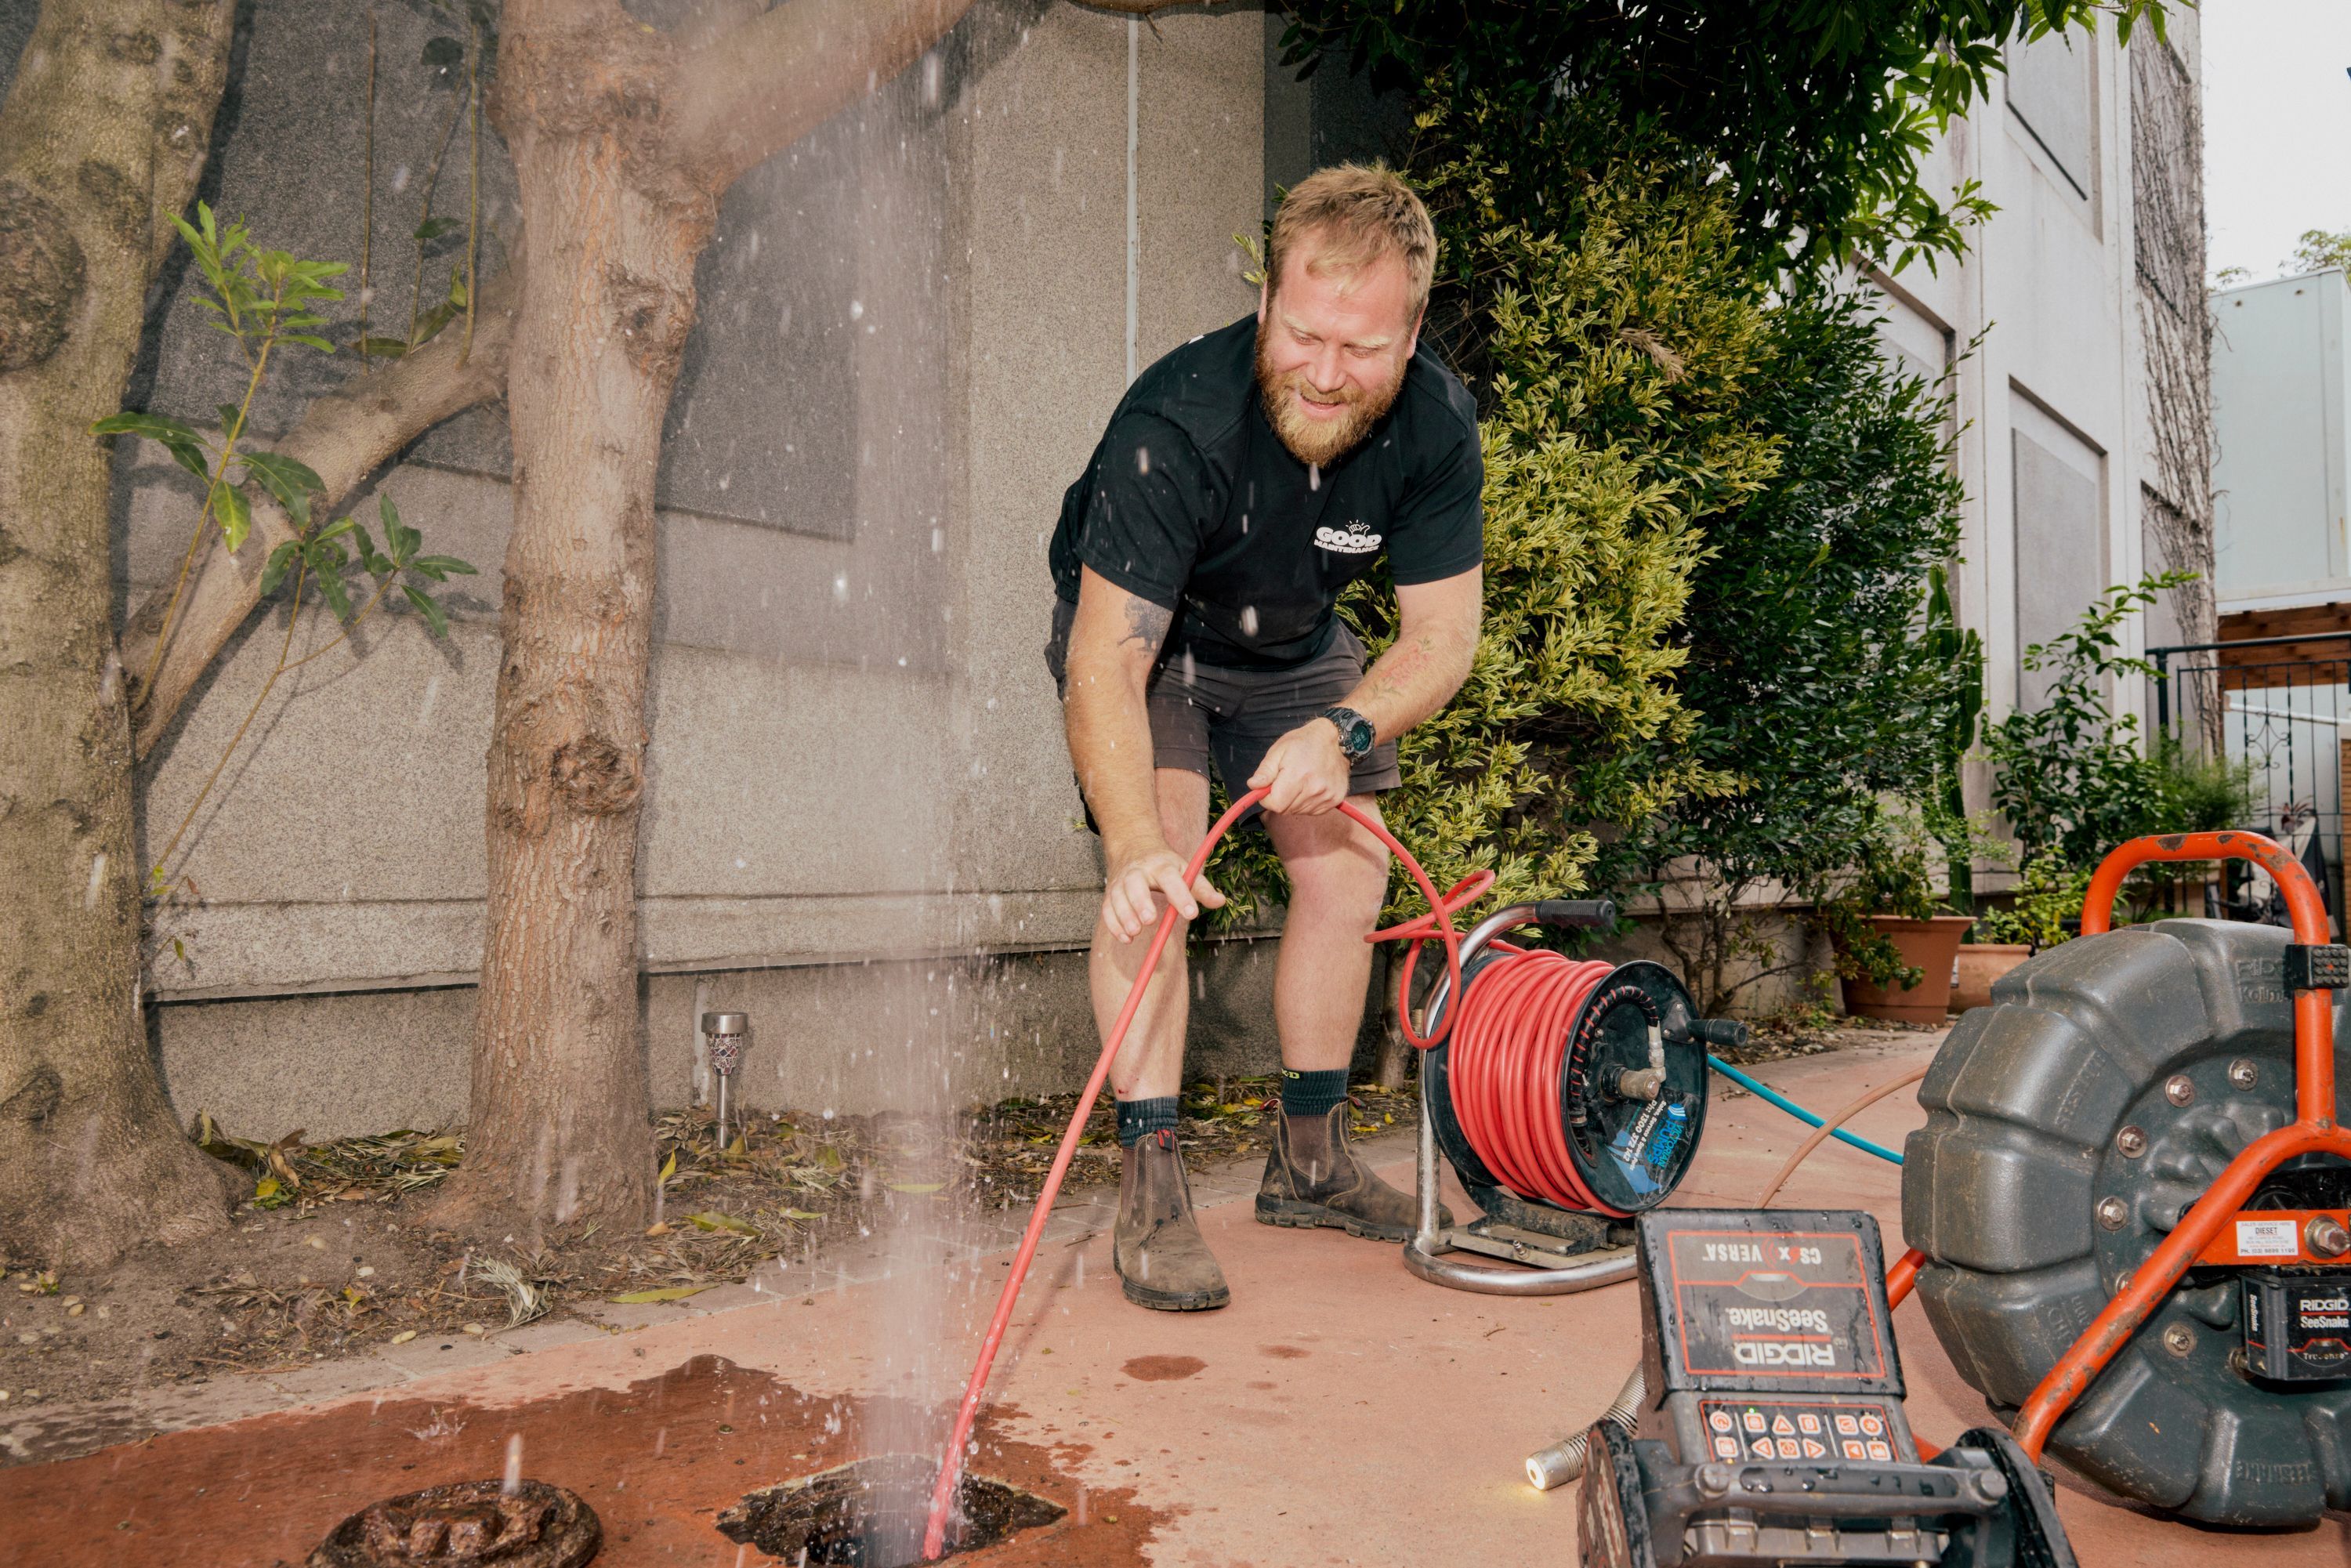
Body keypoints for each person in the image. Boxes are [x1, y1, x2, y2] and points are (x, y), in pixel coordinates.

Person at [1045, 165, 1484, 1311]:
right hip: (1159, 638)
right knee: (1162, 874)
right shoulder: (1176, 423)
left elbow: (1443, 637)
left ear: (1414, 328)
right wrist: (1136, 837)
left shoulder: (1435, 423)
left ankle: (1313, 1158)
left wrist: (1344, 727)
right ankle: (1150, 1182)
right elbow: (1106, 658)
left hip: (1297, 644)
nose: (1328, 374)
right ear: (1268, 294)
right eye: (1304, 334)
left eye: (1365, 347)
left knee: (1351, 870)